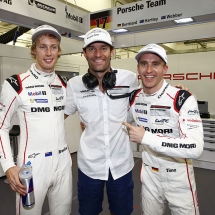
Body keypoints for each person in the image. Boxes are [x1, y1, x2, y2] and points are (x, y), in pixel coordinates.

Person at [65, 27, 139, 215]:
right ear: (84, 53)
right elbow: (57, 117)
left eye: (103, 48)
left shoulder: (129, 79)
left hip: (121, 164)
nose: (98, 54)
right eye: (91, 49)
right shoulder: (74, 86)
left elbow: (148, 99)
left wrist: (178, 93)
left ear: (112, 52)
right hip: (89, 166)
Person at [123, 43, 204, 215]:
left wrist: (147, 138)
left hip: (179, 180)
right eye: (144, 63)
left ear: (165, 68)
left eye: (155, 64)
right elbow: (120, 123)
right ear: (138, 68)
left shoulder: (181, 98)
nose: (149, 70)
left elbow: (195, 147)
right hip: (149, 178)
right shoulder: (134, 98)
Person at [0, 25, 72, 215]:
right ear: (33, 50)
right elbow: (1, 127)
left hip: (63, 162)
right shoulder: (16, 84)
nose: (48, 53)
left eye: (53, 47)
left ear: (59, 51)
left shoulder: (64, 84)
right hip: (32, 166)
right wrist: (8, 165)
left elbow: (59, 115)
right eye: (42, 46)